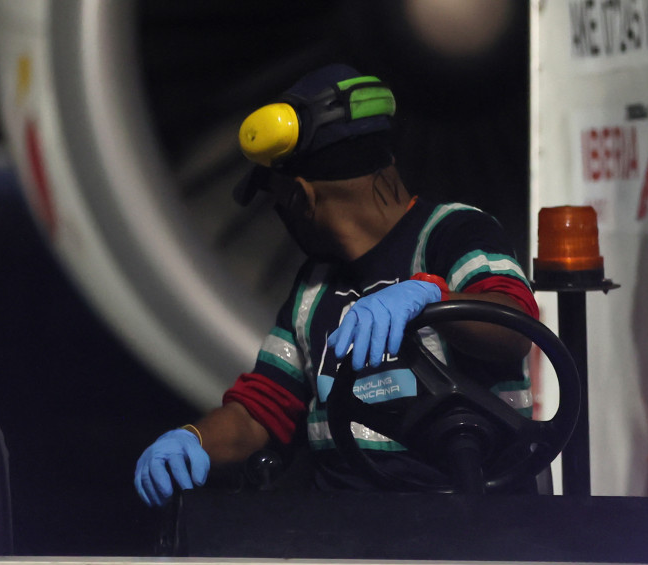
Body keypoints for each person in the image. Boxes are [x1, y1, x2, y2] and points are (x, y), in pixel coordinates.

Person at [132, 63, 537, 504]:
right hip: (345, 530)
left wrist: (434, 300)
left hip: (474, 521)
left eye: (276, 200)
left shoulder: (453, 235)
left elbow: (514, 329)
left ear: (299, 197)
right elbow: (262, 410)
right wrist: (193, 440)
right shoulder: (313, 288)